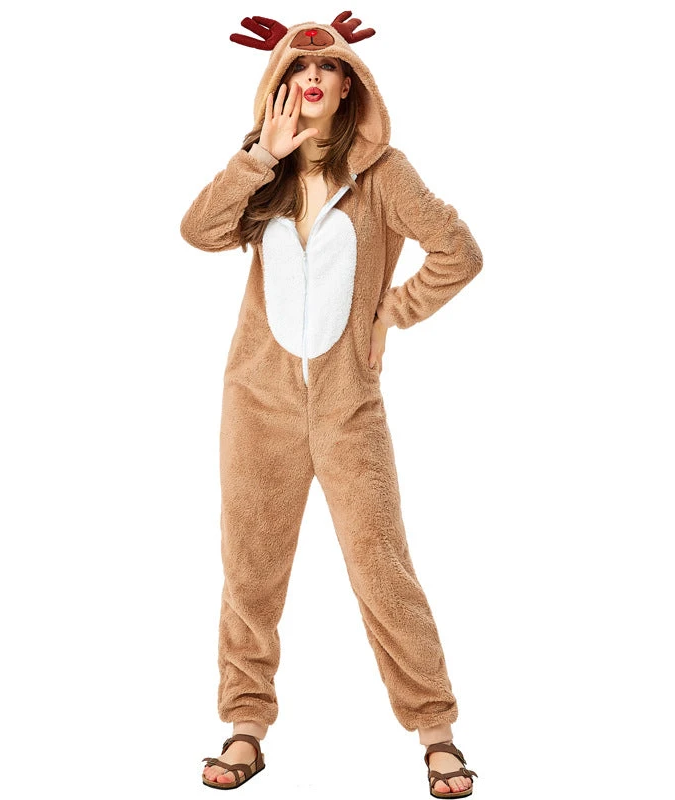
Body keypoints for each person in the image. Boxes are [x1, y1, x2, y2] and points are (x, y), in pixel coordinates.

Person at [180, 13, 483, 797]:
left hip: (350, 405)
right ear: (279, 85)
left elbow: (458, 252)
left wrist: (393, 312)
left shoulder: (383, 173)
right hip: (258, 401)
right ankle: (245, 727)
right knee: (250, 571)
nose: (312, 77)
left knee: (382, 569)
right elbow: (198, 231)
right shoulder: (264, 172)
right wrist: (260, 156)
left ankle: (437, 732)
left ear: (351, 84)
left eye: (328, 66)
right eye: (297, 68)